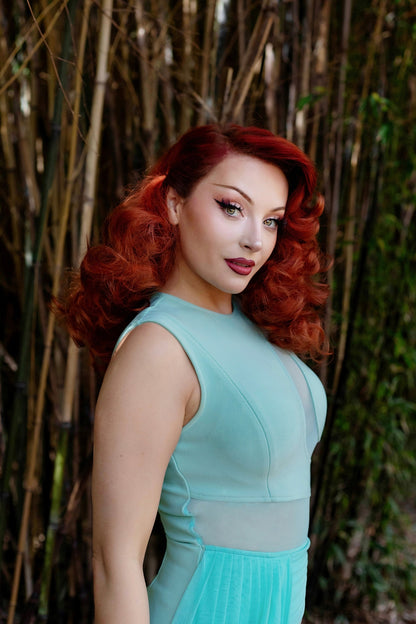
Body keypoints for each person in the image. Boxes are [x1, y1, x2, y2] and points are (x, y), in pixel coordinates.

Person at [58, 124, 329, 624]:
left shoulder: (254, 327)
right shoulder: (158, 348)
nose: (254, 239)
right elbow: (115, 562)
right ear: (175, 202)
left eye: (271, 221)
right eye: (232, 207)